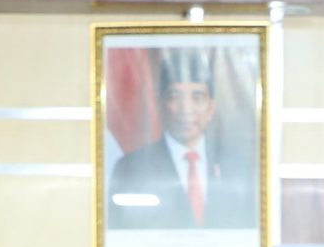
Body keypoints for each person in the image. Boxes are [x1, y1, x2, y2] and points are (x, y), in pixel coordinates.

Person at [107, 49, 258, 234]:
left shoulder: (236, 165)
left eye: (197, 97)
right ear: (161, 104)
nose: (186, 109)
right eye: (175, 97)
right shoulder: (131, 168)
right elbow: (120, 239)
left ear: (211, 108)